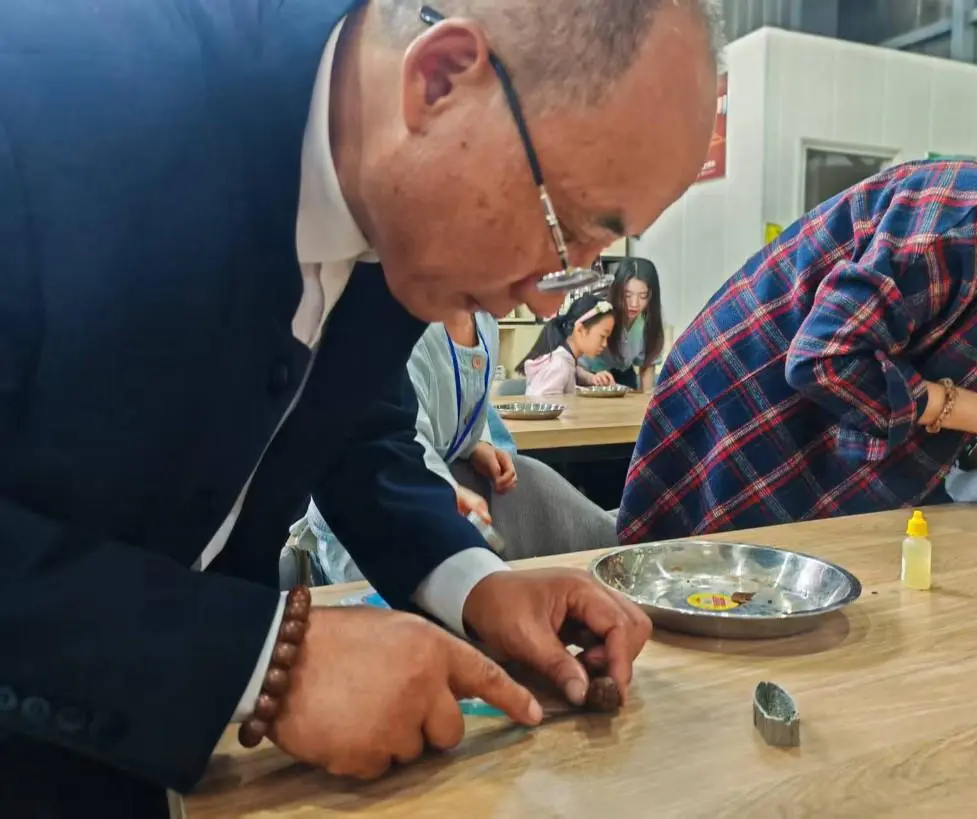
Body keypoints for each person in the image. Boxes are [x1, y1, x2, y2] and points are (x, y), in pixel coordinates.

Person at [0, 0, 723, 815]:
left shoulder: (399, 207)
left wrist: (478, 586)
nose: (545, 297)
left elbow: (351, 426)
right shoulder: (49, 85)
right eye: (566, 234)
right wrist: (262, 662)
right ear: (438, 79)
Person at [619, 156, 977, 545]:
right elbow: (827, 359)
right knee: (693, 573)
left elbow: (932, 404)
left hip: (838, 470)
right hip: (753, 412)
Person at [290, 311, 619, 582]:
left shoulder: (485, 324)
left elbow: (472, 408)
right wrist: (441, 488)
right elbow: (395, 434)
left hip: (426, 502)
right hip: (368, 519)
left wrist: (477, 444)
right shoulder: (407, 326)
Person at [578, 258, 666, 391]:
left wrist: (646, 399)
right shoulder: (601, 312)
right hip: (592, 378)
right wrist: (591, 379)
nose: (634, 304)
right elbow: (575, 365)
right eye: (627, 295)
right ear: (617, 290)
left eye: (643, 296)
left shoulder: (650, 318)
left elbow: (647, 366)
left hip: (625, 377)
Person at [518, 296, 616, 396]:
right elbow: (542, 403)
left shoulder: (567, 361)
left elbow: (574, 370)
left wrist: (592, 378)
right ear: (580, 330)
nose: (605, 344)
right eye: (602, 336)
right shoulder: (558, 366)